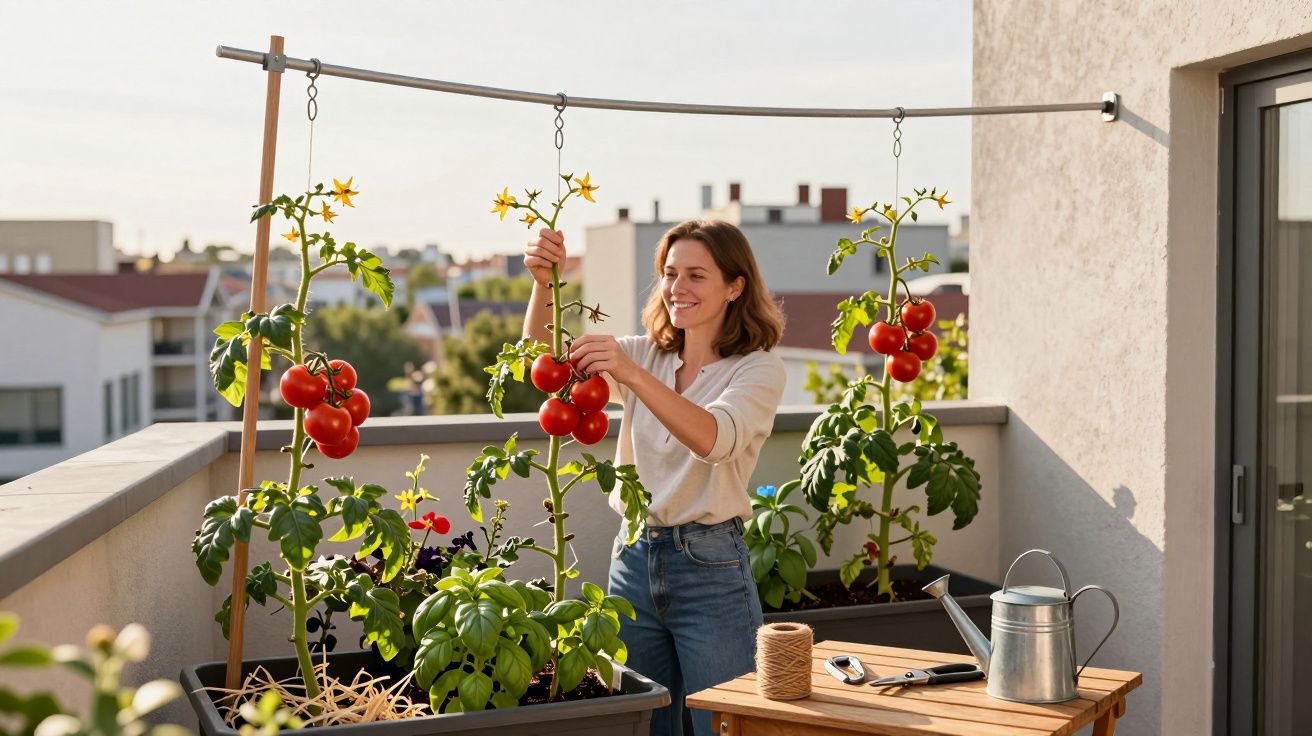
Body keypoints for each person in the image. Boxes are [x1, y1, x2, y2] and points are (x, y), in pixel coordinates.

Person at [522, 219, 786, 736]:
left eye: (695, 275)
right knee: (643, 725)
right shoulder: (647, 354)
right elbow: (546, 355)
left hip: (710, 568)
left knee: (725, 726)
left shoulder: (757, 369)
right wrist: (542, 282)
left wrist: (632, 375)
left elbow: (714, 438)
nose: (676, 288)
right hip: (633, 560)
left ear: (735, 286)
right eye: (669, 273)